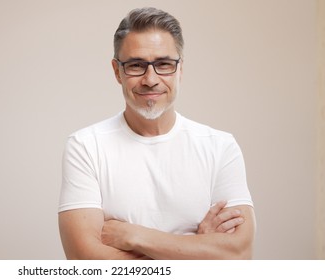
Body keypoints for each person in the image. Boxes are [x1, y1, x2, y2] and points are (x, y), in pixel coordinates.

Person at [58, 7, 256, 260]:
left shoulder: (220, 147)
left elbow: (240, 255)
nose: (150, 79)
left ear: (180, 69)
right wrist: (199, 246)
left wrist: (136, 236)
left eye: (163, 64)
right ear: (117, 71)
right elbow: (85, 261)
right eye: (136, 65)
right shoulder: (86, 146)